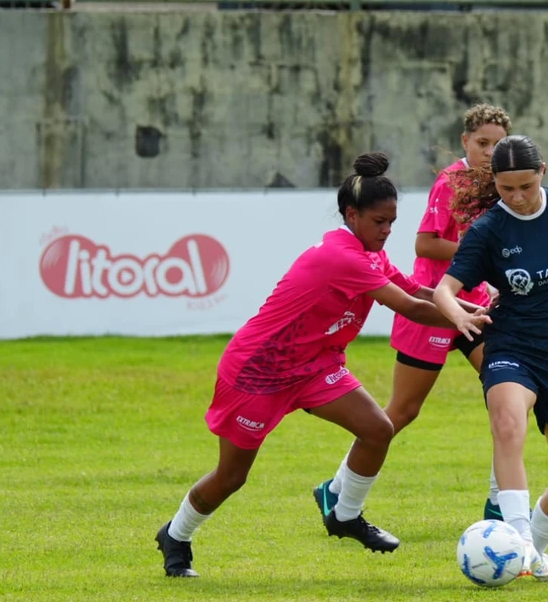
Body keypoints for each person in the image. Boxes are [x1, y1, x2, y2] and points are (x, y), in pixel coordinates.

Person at [155, 152, 491, 578]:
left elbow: (416, 289)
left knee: (377, 429)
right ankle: (177, 535)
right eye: (379, 222)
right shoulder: (343, 257)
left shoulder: (368, 252)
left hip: (314, 366)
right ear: (352, 215)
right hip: (259, 372)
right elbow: (408, 306)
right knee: (232, 476)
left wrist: (470, 304)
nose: (388, 231)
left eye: (392, 222)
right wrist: (466, 317)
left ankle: (344, 513)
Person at [312, 104, 512, 525]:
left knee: (509, 394)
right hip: (435, 302)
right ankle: (336, 488)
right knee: (402, 411)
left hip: (472, 303)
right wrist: (483, 254)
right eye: (482, 143)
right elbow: (425, 245)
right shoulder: (451, 181)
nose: (489, 152)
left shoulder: (501, 185)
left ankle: (501, 503)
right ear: (465, 142)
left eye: (497, 145)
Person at [433, 135, 548, 585]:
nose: (518, 198)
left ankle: (529, 557)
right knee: (507, 423)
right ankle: (519, 542)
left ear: (543, 171)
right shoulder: (489, 230)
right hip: (511, 346)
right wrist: (459, 317)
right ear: (495, 184)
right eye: (507, 189)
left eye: (526, 186)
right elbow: (446, 289)